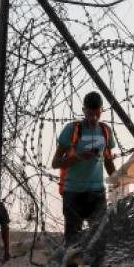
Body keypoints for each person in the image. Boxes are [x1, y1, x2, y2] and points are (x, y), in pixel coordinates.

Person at [51, 91, 118, 244]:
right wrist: (78, 157)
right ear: (83, 110)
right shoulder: (73, 129)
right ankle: (73, 266)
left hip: (97, 192)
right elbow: (55, 162)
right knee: (74, 239)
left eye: (97, 114)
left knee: (99, 237)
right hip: (74, 192)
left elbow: (108, 159)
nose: (93, 119)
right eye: (89, 114)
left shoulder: (105, 131)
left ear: (102, 110)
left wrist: (116, 179)